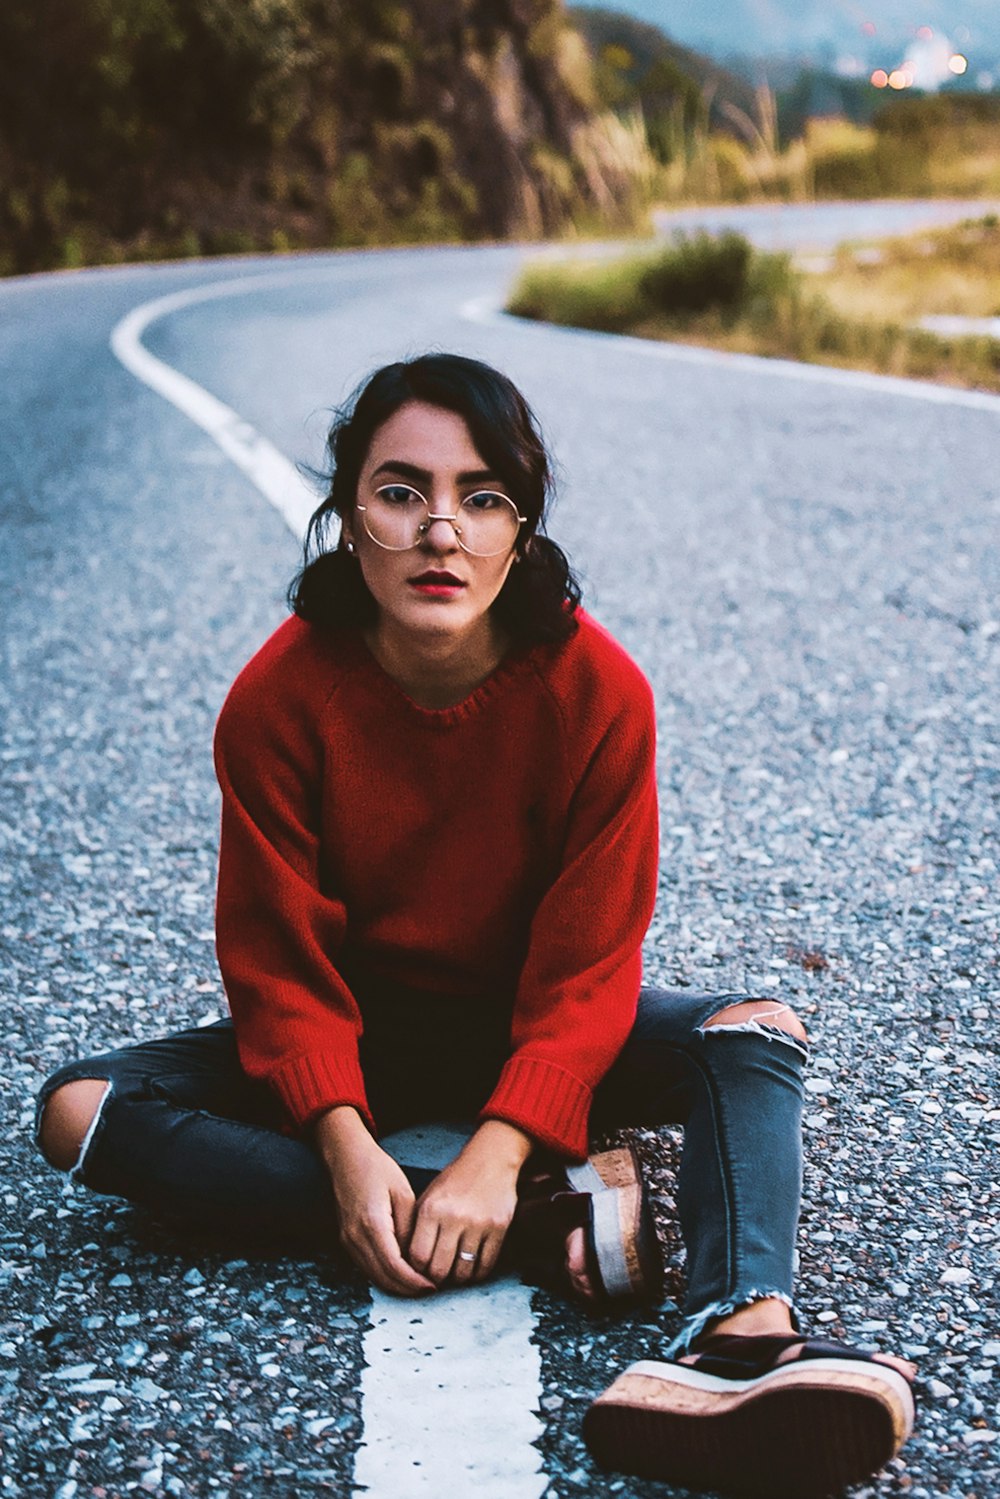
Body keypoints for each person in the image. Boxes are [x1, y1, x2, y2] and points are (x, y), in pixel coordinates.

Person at [36, 353, 914, 1498]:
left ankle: (742, 1336)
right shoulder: (278, 699)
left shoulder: (599, 693)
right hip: (360, 1038)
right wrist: (346, 1149)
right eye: (401, 491)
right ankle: (545, 1232)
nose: (440, 529)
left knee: (753, 1030)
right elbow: (276, 960)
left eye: (482, 497)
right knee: (76, 1111)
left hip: (528, 1026)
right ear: (349, 515)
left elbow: (591, 964)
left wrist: (498, 1146)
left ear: (522, 529)